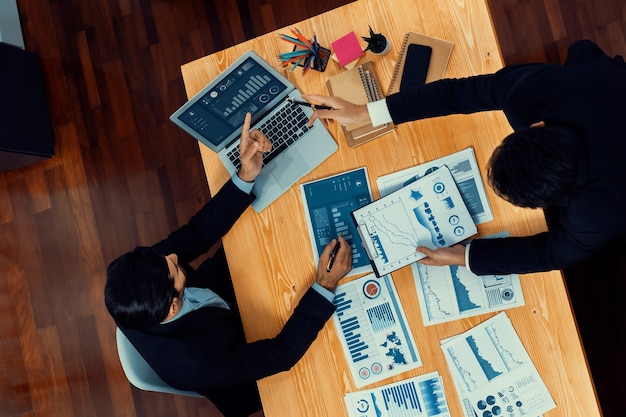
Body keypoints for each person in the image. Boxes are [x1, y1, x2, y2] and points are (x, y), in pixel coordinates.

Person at [303, 39, 626, 276]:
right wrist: (367, 112)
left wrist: (466, 257)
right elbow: (454, 95)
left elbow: (551, 254)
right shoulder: (533, 90)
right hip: (602, 87)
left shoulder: (599, 216)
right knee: (582, 51)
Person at [104, 113, 352, 417]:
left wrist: (245, 175)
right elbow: (282, 353)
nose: (172, 256)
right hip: (244, 364)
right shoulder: (197, 365)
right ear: (171, 307)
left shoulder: (137, 274)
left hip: (224, 293)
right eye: (175, 270)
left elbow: (196, 234)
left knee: (279, 222)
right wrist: (324, 286)